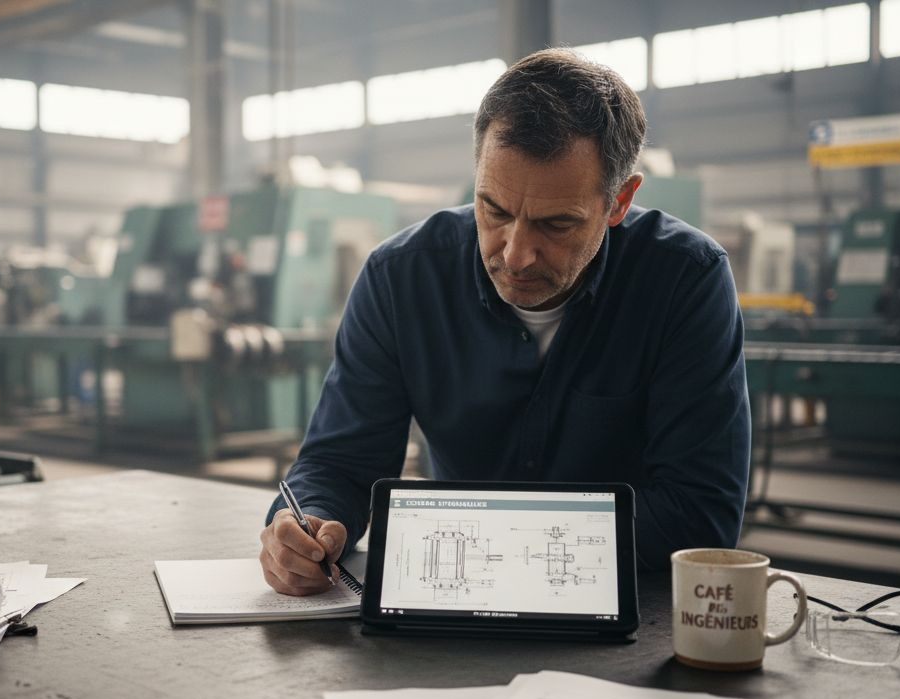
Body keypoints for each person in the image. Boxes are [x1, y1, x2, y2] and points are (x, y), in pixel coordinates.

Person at [259, 49, 751, 596]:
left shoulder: (685, 280)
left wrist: (480, 541)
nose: (515, 254)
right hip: (454, 596)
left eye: (556, 224)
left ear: (618, 201)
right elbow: (339, 463)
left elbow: (701, 517)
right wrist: (307, 525)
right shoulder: (401, 279)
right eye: (494, 210)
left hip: (629, 610)